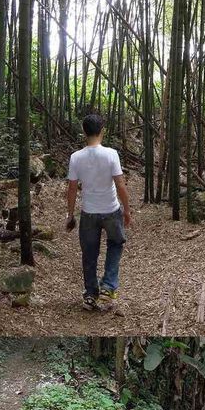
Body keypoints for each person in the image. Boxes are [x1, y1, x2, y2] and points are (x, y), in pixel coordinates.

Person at [66, 114, 133, 311]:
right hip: (111, 210)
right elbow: (120, 184)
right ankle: (108, 287)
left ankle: (91, 294)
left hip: (89, 212)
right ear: (102, 130)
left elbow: (71, 188)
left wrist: (70, 215)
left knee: (89, 253)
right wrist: (127, 209)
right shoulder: (111, 154)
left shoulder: (76, 157)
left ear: (84, 131)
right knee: (116, 243)